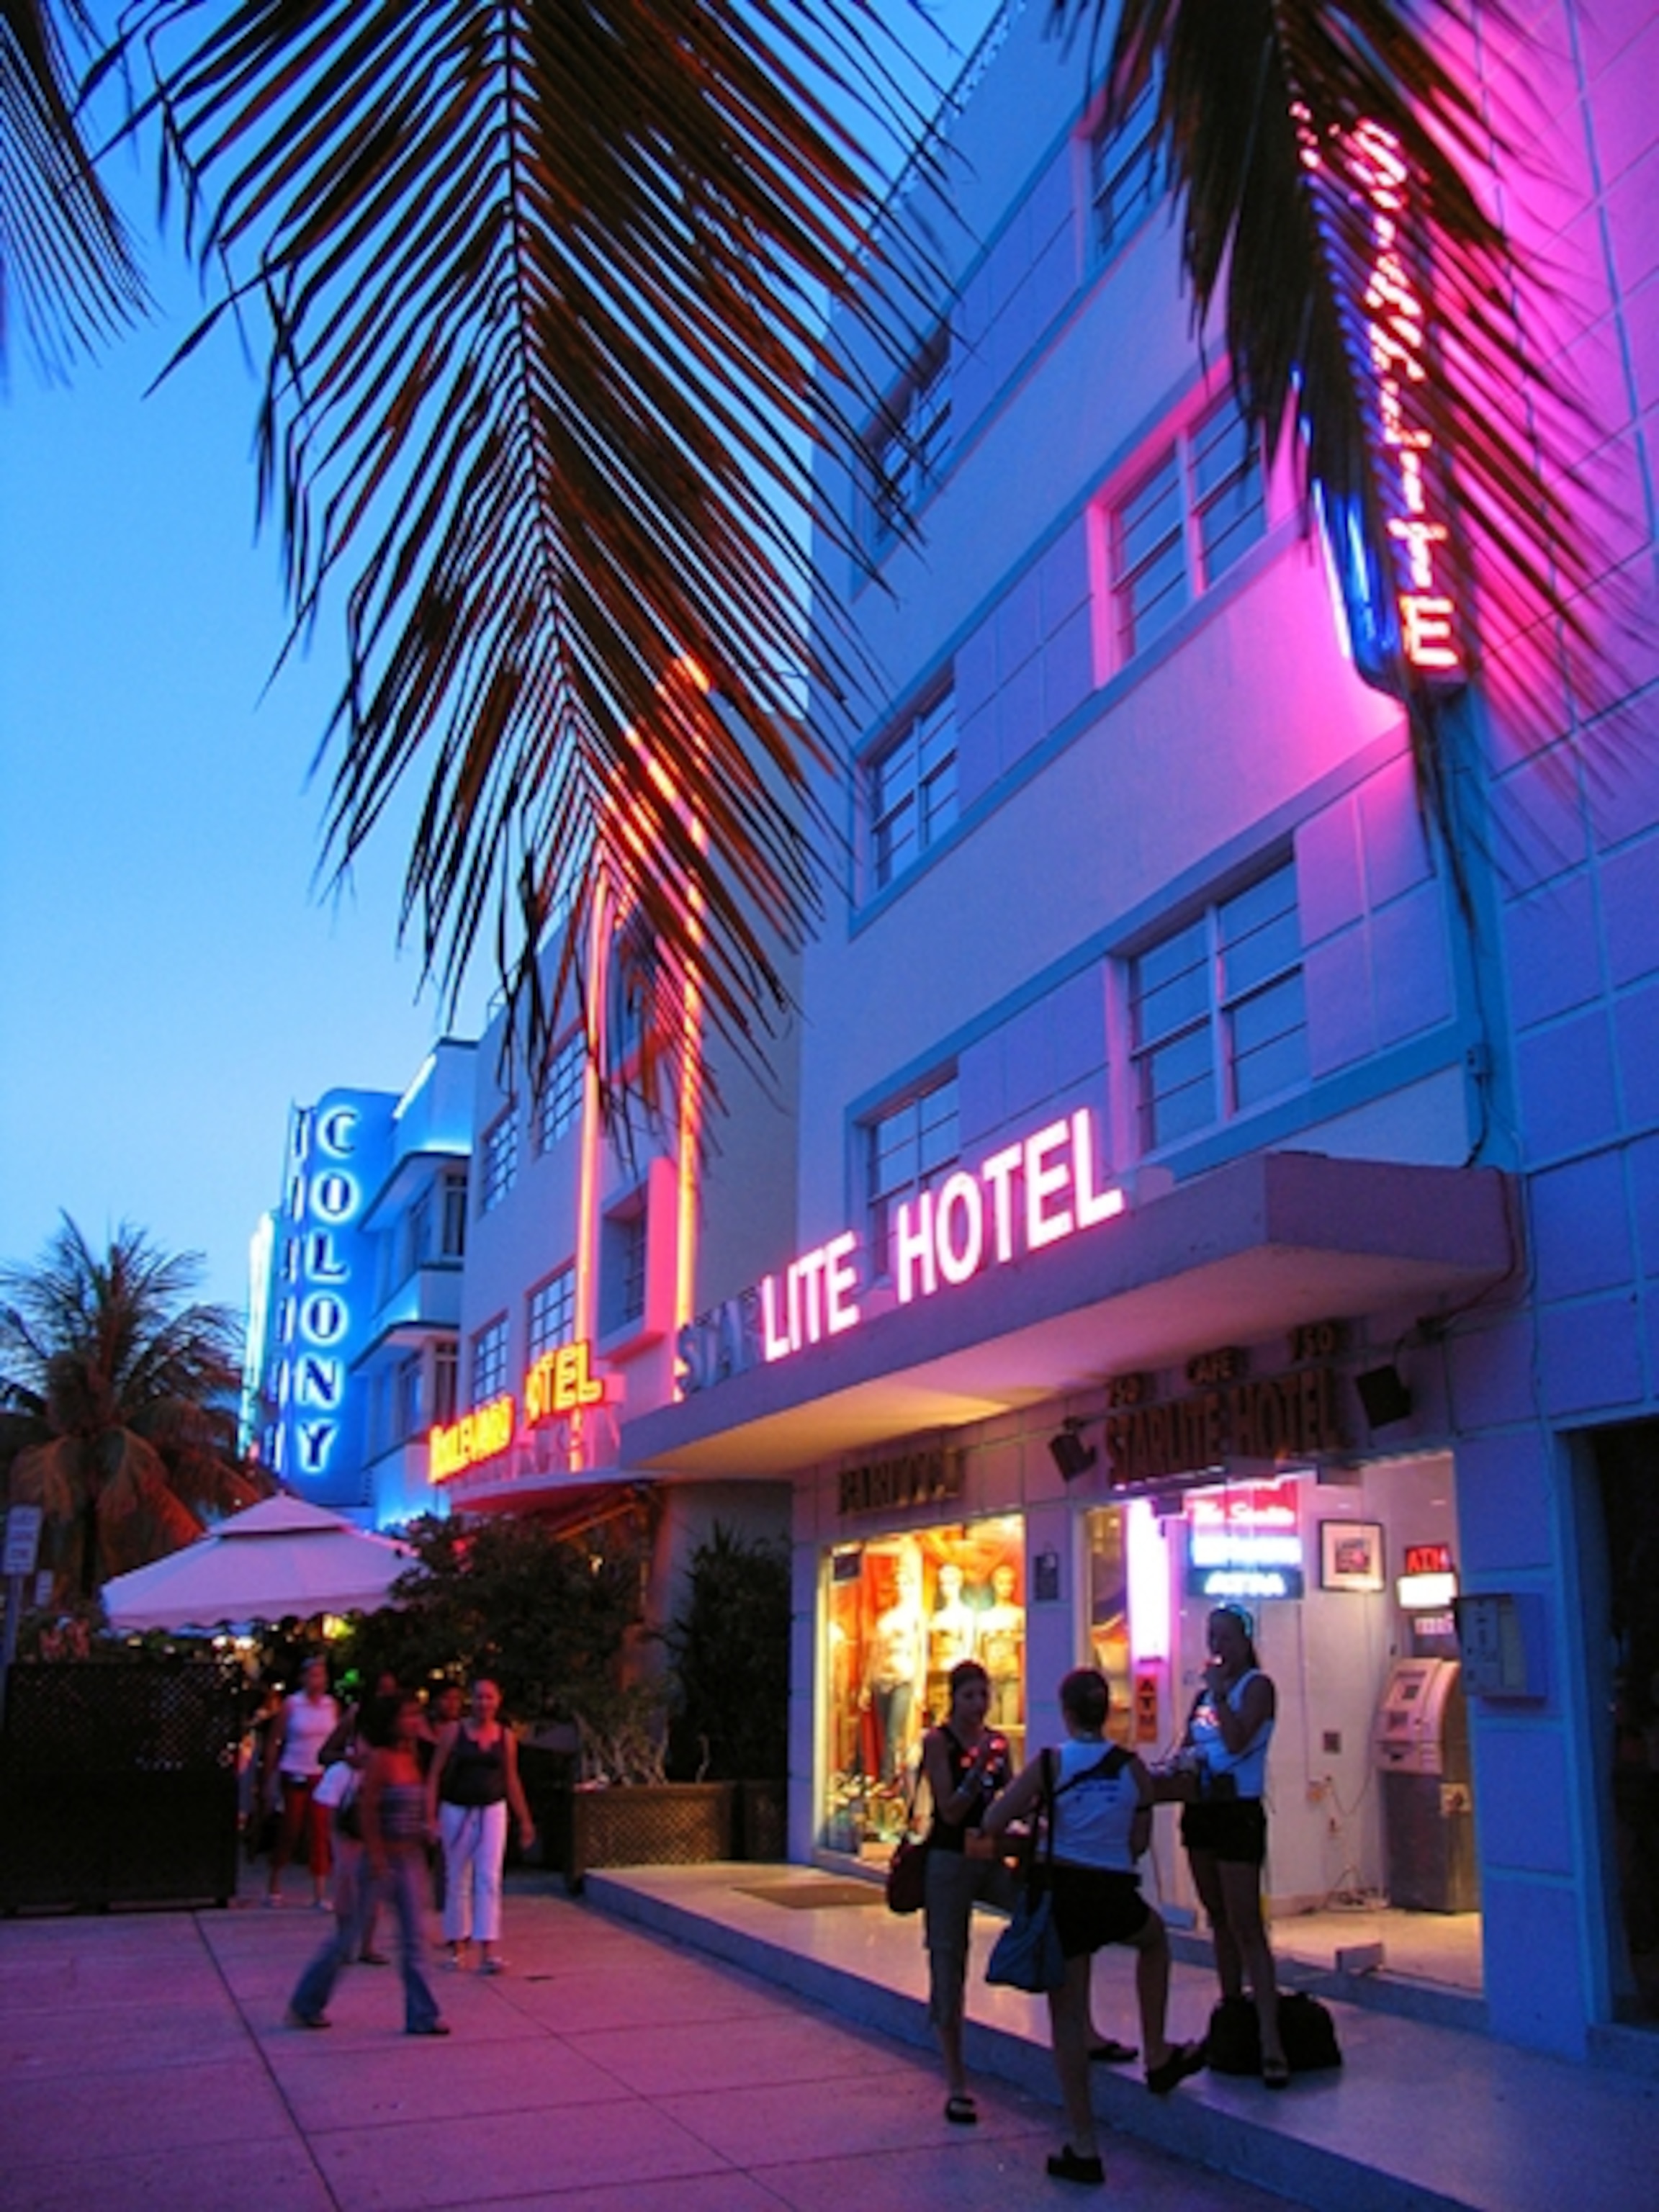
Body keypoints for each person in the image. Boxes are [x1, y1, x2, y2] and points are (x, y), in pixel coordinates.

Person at [984, 1668, 1204, 2190]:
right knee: (1153, 1940)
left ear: (1066, 1711)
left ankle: (1084, 2143)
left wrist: (1044, 1824)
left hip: (1064, 1892)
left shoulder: (1051, 1764)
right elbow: (1139, 1840)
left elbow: (995, 1821)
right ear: (1106, 1712)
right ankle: (1156, 2050)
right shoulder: (1131, 1769)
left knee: (1067, 2015)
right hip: (1113, 1890)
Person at [287, 1692, 449, 2036]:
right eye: (407, 1715)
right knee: (347, 1939)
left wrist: (425, 1827)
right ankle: (307, 2002)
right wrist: (375, 1856)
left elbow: (414, 1803)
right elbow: (368, 1810)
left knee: (414, 1939)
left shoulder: (412, 1757)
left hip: (410, 1857)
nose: (413, 1722)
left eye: (415, 1715)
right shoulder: (381, 1760)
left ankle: (423, 2015)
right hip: (382, 1857)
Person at [1178, 1604, 1288, 2086]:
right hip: (1203, 1807)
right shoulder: (1203, 1695)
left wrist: (1222, 1696)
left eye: (1225, 1638)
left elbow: (1241, 1740)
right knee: (1218, 1916)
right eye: (1211, 1638)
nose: (1217, 1647)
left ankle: (1270, 2035)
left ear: (1244, 1642)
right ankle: (1231, 2013)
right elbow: (1189, 1742)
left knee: (1246, 1922)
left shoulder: (1256, 1688)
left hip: (1237, 1809)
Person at [918, 1659, 1014, 2126]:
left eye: (984, 1695)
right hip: (950, 1859)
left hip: (989, 1854)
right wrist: (976, 1771)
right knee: (947, 1957)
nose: (978, 1705)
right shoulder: (939, 1743)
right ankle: (956, 2079)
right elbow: (950, 1810)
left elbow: (1011, 1797)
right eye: (970, 1696)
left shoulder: (999, 1743)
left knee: (1034, 1907)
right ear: (954, 1699)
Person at [427, 1677, 535, 1972]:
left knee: (488, 1877)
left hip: (492, 1809)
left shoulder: (506, 1737)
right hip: (457, 1810)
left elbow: (511, 1778)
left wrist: (525, 1820)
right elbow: (435, 1774)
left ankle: (488, 1947)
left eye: (489, 1697)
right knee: (457, 1877)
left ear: (498, 1701)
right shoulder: (454, 1733)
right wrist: (431, 1816)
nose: (483, 1703)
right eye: (478, 1697)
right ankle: (457, 1947)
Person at [265, 1656, 341, 1907]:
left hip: (320, 1773)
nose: (317, 1680)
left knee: (320, 1831)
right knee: (291, 1828)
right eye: (312, 1675)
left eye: (321, 1675)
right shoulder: (292, 1705)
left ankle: (320, 1891)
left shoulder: (331, 1706)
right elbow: (275, 1739)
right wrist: (270, 1775)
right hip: (294, 1770)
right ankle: (275, 1879)